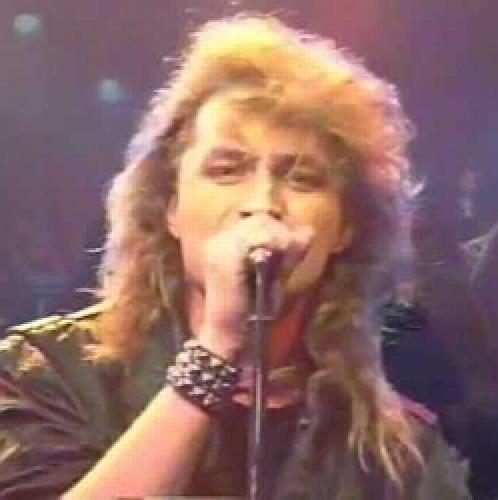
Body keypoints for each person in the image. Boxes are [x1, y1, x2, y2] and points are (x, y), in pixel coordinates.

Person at [0, 14, 471, 499]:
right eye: (228, 170)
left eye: (303, 179)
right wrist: (216, 352)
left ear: (346, 228)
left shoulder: (398, 455)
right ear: (170, 209)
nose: (262, 203)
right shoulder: (51, 374)